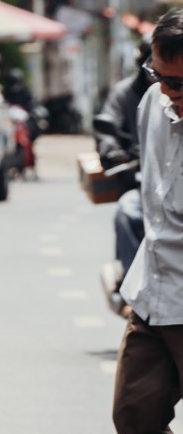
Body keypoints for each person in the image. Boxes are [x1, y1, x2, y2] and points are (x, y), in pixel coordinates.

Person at [113, 9, 183, 434]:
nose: (166, 91)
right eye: (158, 75)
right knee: (133, 416)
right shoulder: (151, 106)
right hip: (155, 296)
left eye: (177, 83)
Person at [94, 34, 153, 283]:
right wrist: (114, 151)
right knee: (128, 211)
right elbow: (107, 127)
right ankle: (134, 286)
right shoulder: (125, 93)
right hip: (141, 183)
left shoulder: (173, 95)